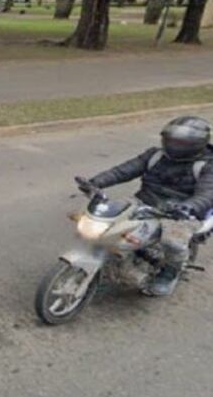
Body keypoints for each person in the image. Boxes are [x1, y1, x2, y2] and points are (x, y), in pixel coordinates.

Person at [80, 116, 213, 296]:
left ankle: (170, 273)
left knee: (172, 242)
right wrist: (96, 182)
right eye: (169, 140)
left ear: (196, 144)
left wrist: (188, 207)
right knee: (109, 216)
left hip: (182, 212)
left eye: (179, 142)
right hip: (145, 201)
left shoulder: (207, 165)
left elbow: (207, 193)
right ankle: (108, 258)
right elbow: (124, 170)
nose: (173, 145)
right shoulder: (155, 155)